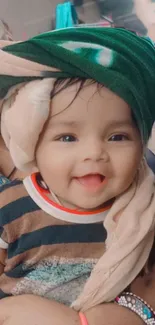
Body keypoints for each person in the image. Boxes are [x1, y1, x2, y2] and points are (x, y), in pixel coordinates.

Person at [0, 27, 154, 324]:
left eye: (118, 136)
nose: (95, 153)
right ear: (34, 146)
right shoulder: (9, 206)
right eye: (68, 138)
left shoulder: (143, 212)